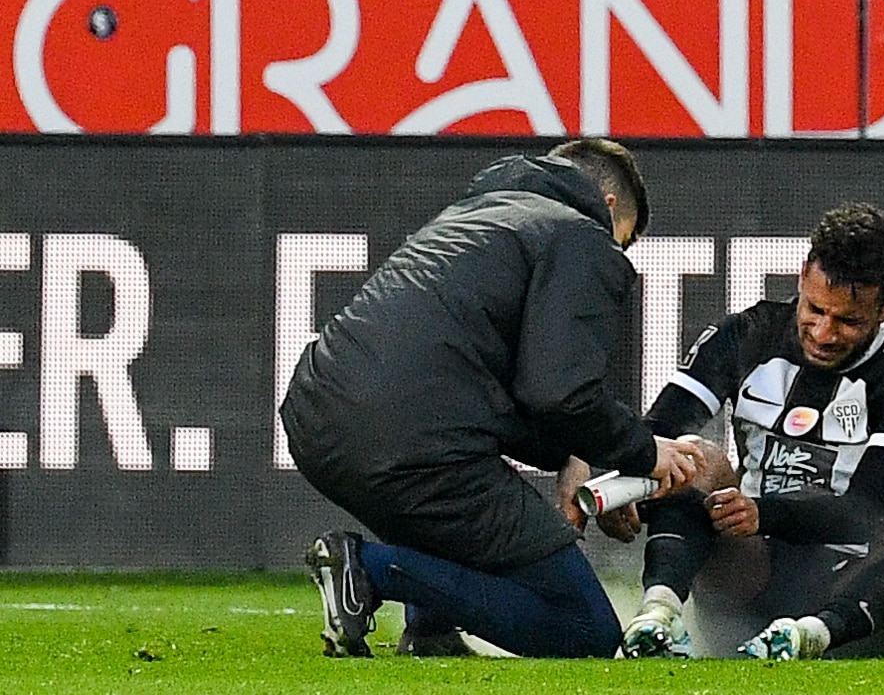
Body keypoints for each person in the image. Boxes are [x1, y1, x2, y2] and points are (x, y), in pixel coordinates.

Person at [282, 138, 692, 659]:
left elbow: (495, 385)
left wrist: (577, 455)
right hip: (408, 437)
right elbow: (557, 394)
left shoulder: (479, 212)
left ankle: (429, 626)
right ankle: (367, 570)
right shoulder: (582, 235)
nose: (616, 252)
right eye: (624, 240)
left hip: (316, 413)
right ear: (609, 205)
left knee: (447, 501)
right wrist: (645, 451)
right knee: (584, 630)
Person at [617, 202, 884, 661]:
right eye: (815, 309)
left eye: (848, 321)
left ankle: (810, 637)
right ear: (802, 277)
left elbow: (869, 511)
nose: (823, 333)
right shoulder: (749, 333)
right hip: (749, 581)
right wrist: (623, 486)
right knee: (692, 456)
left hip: (853, 590)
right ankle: (657, 616)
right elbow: (660, 428)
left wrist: (764, 513)